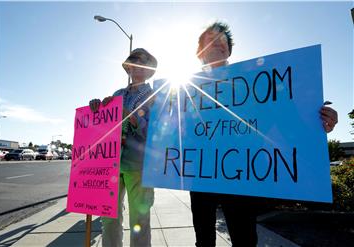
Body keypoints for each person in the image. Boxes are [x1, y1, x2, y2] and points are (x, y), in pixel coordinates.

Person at [190, 22, 338, 247]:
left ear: (229, 50)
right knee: (203, 240)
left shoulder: (254, 82)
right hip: (200, 175)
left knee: (245, 240)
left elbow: (287, 122)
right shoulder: (186, 90)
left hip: (240, 174)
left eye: (224, 41)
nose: (219, 43)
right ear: (200, 51)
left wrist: (318, 122)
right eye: (212, 39)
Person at [89, 48, 157, 247]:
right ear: (129, 68)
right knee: (108, 218)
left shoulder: (154, 95)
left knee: (140, 220)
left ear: (149, 70)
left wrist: (131, 115)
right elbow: (104, 125)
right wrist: (98, 107)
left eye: (143, 65)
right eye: (134, 64)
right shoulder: (117, 94)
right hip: (111, 164)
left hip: (138, 165)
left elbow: (154, 131)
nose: (138, 69)